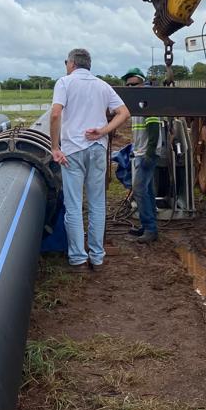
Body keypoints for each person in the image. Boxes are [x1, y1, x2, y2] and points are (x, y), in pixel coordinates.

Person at [50, 48, 130, 271]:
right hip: (96, 148)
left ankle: (77, 258)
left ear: (72, 64)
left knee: (74, 206)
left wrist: (54, 147)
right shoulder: (103, 86)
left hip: (73, 150)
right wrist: (104, 130)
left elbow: (56, 114)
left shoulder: (64, 83)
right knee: (97, 204)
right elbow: (124, 113)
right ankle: (97, 256)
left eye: (67, 62)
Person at [122, 67, 160, 243]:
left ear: (142, 83)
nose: (130, 87)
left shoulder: (146, 102)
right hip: (140, 153)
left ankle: (150, 229)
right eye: (128, 85)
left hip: (146, 155)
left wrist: (149, 155)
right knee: (148, 192)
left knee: (139, 191)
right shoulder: (137, 105)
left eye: (134, 84)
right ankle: (148, 227)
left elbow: (154, 130)